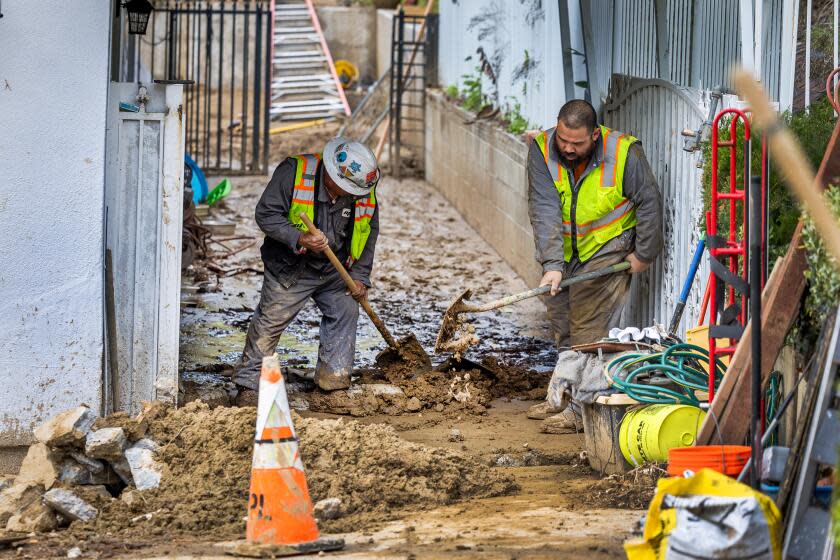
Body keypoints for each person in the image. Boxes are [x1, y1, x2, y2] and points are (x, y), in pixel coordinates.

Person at [526, 100, 663, 430]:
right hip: (566, 251)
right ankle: (563, 394)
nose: (568, 149)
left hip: (607, 247)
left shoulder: (624, 153)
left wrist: (644, 253)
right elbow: (543, 208)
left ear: (595, 135)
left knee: (588, 327)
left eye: (578, 143)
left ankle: (580, 410)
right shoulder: (542, 150)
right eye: (563, 140)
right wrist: (552, 264)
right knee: (563, 321)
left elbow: (649, 201)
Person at [233, 138, 380, 404]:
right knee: (270, 320)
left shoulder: (363, 188)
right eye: (345, 189)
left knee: (345, 310)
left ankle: (332, 384)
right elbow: (266, 214)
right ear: (332, 175)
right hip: (291, 266)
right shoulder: (294, 172)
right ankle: (249, 386)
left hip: (336, 268)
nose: (352, 195)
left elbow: (368, 231)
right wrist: (300, 238)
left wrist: (360, 276)